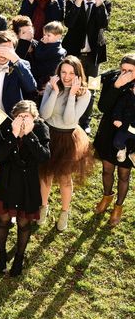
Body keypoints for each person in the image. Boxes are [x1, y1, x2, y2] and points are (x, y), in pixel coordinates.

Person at [0, 30, 37, 203]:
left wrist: (15, 59)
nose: (4, 54)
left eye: (9, 50)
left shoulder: (20, 65)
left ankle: (5, 201)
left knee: (9, 165)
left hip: (11, 125)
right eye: (1, 48)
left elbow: (31, 86)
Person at [0, 100, 50, 276]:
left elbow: (44, 157)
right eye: (19, 116)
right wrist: (13, 136)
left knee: (24, 224)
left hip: (27, 185)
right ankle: (1, 255)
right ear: (13, 116)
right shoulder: (4, 125)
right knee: (3, 220)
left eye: (27, 116)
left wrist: (30, 136)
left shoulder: (41, 128)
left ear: (35, 117)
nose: (23, 120)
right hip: (6, 182)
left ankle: (19, 257)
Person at [37, 56, 93, 231]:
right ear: (59, 72)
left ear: (78, 74)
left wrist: (71, 95)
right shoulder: (51, 86)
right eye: (63, 72)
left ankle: (64, 212)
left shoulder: (84, 93)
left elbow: (70, 120)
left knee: (64, 178)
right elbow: (44, 115)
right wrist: (54, 91)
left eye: (71, 73)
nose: (67, 77)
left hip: (68, 137)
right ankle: (43, 207)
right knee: (45, 175)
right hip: (49, 135)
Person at [63, 0, 111, 133]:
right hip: (73, 54)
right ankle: (69, 116)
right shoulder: (72, 2)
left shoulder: (104, 4)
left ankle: (85, 121)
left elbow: (104, 23)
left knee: (92, 87)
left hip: (93, 57)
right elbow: (69, 23)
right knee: (70, 85)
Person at [93, 54, 135, 226]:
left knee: (123, 175)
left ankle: (118, 207)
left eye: (130, 71)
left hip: (130, 137)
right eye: (123, 69)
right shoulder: (112, 79)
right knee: (107, 170)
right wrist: (117, 86)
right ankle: (107, 195)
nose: (125, 73)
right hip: (109, 132)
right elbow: (103, 107)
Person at [33, 21, 67, 92]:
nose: (45, 37)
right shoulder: (51, 46)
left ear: (58, 36)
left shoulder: (56, 50)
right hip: (41, 77)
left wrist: (41, 43)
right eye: (44, 35)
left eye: (48, 35)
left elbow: (38, 55)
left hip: (45, 79)